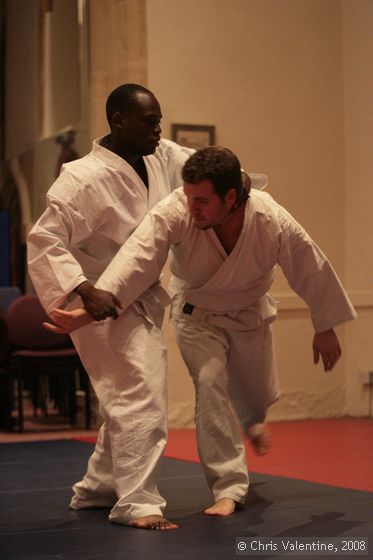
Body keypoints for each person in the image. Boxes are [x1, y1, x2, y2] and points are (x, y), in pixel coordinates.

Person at [44, 146, 357, 518]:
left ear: (231, 197)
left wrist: (325, 326)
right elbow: (136, 259)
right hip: (197, 314)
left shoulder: (270, 218)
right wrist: (89, 312)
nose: (193, 208)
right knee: (210, 384)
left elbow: (310, 267)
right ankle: (229, 487)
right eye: (190, 197)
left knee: (255, 395)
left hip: (250, 314)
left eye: (203, 201)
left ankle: (253, 417)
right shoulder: (178, 209)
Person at [27, 83, 198, 530]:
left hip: (139, 296)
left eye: (159, 119)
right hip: (96, 302)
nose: (158, 128)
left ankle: (97, 489)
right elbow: (44, 240)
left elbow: (200, 170)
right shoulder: (81, 177)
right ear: (118, 121)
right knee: (141, 389)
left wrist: (237, 180)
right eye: (149, 120)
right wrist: (83, 290)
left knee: (125, 393)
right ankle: (138, 503)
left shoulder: (162, 156)